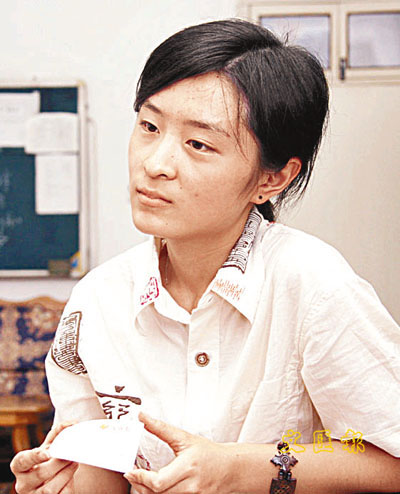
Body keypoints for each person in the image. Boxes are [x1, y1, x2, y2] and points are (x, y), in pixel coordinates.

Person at [11, 18, 400, 494]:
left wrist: (242, 469)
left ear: (272, 178)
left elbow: (388, 455)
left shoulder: (312, 285)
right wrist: (58, 481)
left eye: (198, 144)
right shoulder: (97, 300)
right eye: (149, 126)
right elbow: (102, 476)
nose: (155, 163)